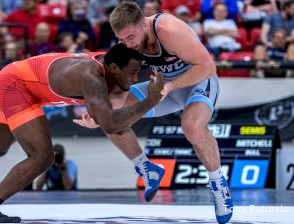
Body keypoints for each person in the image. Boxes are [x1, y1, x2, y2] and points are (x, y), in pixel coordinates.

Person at [0, 43, 165, 223]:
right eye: (132, 74)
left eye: (138, 73)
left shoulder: (111, 65)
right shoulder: (91, 77)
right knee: (42, 156)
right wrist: (151, 100)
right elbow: (112, 124)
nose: (135, 79)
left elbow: (111, 115)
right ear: (113, 67)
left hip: (21, 80)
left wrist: (102, 114)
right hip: (16, 85)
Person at [76, 2, 233, 224]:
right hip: (163, 86)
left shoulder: (168, 30)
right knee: (110, 117)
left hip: (198, 81)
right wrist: (97, 114)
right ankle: (147, 169)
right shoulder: (129, 42)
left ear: (144, 24)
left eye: (130, 38)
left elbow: (208, 67)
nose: (127, 44)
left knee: (192, 127)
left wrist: (171, 86)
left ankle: (218, 184)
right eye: (121, 40)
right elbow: (113, 82)